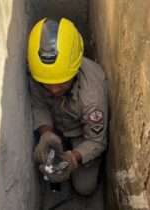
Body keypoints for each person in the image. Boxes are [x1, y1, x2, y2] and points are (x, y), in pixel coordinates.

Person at [27, 17, 108, 196]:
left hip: (82, 133)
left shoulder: (91, 96)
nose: (54, 90)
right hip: (56, 124)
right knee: (47, 160)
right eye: (47, 84)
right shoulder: (38, 74)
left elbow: (96, 141)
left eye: (62, 83)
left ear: (75, 69)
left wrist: (73, 158)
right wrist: (46, 132)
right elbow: (39, 104)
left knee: (84, 188)